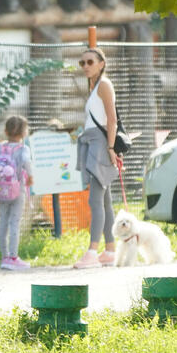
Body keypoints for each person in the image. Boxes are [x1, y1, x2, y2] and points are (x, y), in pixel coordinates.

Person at [73, 47, 121, 269]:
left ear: (102, 63)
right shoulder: (95, 86)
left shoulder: (104, 85)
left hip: (100, 145)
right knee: (105, 201)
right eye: (82, 63)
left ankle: (92, 251)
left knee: (95, 200)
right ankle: (110, 250)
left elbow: (112, 119)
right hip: (95, 143)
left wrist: (110, 147)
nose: (85, 66)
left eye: (90, 62)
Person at [0, 115, 34, 271]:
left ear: (5, 131)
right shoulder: (23, 148)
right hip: (17, 190)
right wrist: (30, 176)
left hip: (1, 190)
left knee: (3, 221)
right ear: (24, 133)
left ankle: (4, 257)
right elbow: (26, 161)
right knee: (14, 222)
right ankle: (13, 257)